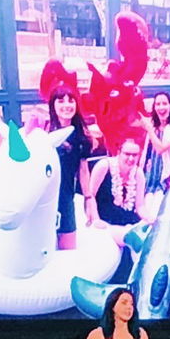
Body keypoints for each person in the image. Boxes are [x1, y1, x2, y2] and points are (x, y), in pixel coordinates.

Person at [47, 84, 94, 250]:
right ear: (53, 105)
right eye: (61, 101)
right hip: (43, 199)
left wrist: (89, 200)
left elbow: (83, 170)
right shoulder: (44, 132)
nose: (67, 105)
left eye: (71, 101)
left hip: (65, 198)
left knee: (68, 248)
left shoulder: (81, 137)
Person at [85, 138, 149, 247]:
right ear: (119, 153)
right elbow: (90, 196)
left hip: (127, 222)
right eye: (127, 154)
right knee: (128, 236)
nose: (131, 158)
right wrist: (95, 219)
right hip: (104, 222)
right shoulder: (104, 166)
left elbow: (140, 206)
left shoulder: (138, 173)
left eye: (135, 155)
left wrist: (149, 218)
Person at [140, 91, 170, 199]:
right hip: (150, 176)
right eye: (158, 104)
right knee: (145, 204)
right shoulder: (153, 124)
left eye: (164, 103)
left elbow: (161, 148)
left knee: (157, 205)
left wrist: (149, 129)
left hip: (167, 178)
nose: (161, 107)